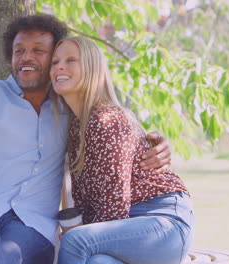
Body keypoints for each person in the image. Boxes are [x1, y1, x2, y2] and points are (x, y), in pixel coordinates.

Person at [0, 14, 173, 264]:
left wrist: (158, 142)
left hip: (31, 229)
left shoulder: (69, 110)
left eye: (38, 50)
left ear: (54, 60)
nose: (26, 57)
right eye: (19, 51)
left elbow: (116, 131)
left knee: (5, 255)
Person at [50, 36, 195, 264]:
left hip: (163, 224)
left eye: (70, 60)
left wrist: (78, 235)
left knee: (76, 241)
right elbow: (86, 201)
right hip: (125, 229)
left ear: (92, 68)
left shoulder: (107, 120)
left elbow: (114, 204)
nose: (59, 66)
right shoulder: (76, 127)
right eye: (55, 61)